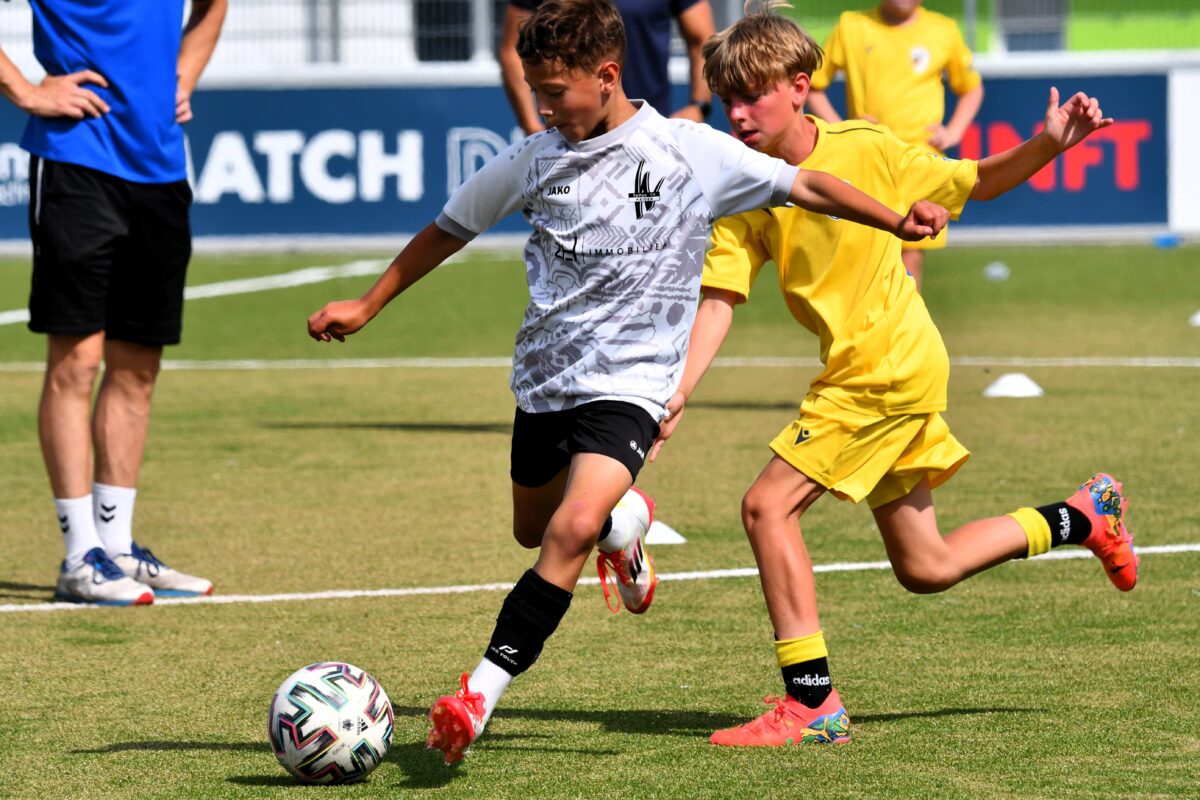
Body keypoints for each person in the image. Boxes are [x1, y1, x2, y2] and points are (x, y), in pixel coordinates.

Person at [308, 0, 940, 766]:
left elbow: (805, 186)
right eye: (537, 92)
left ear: (607, 77)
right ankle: (624, 528)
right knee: (535, 530)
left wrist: (892, 219)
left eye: (555, 92)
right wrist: (368, 304)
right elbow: (449, 229)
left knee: (568, 529)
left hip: (634, 382)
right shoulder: (534, 159)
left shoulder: (685, 150)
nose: (544, 107)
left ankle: (478, 694)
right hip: (547, 377)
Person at [649, 6, 1136, 747]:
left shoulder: (867, 148)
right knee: (927, 566)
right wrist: (679, 390)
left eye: (753, 95)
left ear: (800, 87)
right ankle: (1082, 515)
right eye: (728, 100)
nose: (738, 113)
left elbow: (972, 180)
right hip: (874, 369)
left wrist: (1047, 143)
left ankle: (813, 704)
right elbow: (719, 300)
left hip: (885, 368)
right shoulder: (741, 190)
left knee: (765, 508)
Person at [0, 0, 227, 605]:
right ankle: (80, 557)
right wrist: (23, 89)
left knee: (138, 367)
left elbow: (213, 5)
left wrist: (183, 77)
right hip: (76, 161)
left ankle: (118, 548)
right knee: (76, 362)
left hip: (160, 167)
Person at [806, 0, 984, 291]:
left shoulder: (943, 30)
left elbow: (971, 87)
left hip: (920, 159)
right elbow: (814, 84)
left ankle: (904, 330)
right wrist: (841, 129)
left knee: (910, 255)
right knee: (863, 252)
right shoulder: (852, 26)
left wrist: (953, 132)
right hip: (868, 159)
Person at [498, 0, 716, 133]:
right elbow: (512, 49)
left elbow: (702, 38)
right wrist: (531, 125)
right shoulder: (532, 158)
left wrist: (698, 106)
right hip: (569, 139)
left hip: (650, 127)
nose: (542, 108)